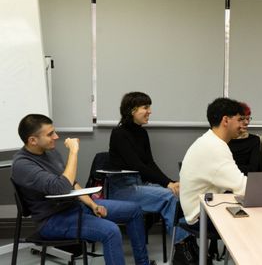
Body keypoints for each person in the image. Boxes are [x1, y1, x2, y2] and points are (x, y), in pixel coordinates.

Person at [11, 114, 154, 265]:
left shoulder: (50, 152)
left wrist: (93, 205)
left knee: (134, 210)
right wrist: (73, 152)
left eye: (54, 131)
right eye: (50, 134)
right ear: (33, 140)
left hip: (75, 208)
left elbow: (72, 183)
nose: (56, 136)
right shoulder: (22, 165)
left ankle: (142, 263)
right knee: (111, 231)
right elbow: (61, 187)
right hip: (52, 221)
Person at [107, 92, 194, 265]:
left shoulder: (142, 134)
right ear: (132, 110)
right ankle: (184, 249)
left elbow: (150, 164)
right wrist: (167, 184)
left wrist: (172, 183)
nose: (150, 111)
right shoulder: (119, 134)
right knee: (170, 197)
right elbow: (138, 166)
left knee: (178, 193)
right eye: (145, 107)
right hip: (122, 189)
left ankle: (188, 247)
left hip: (140, 185)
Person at [180, 97, 248, 226]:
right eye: (239, 120)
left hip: (203, 206)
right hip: (200, 215)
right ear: (226, 120)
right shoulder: (214, 147)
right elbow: (242, 187)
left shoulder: (209, 140)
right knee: (258, 218)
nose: (242, 125)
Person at [228, 102, 261, 175]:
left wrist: (228, 169)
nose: (246, 122)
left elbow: (253, 169)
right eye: (242, 119)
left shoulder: (254, 140)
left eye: (248, 118)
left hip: (246, 179)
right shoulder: (223, 140)